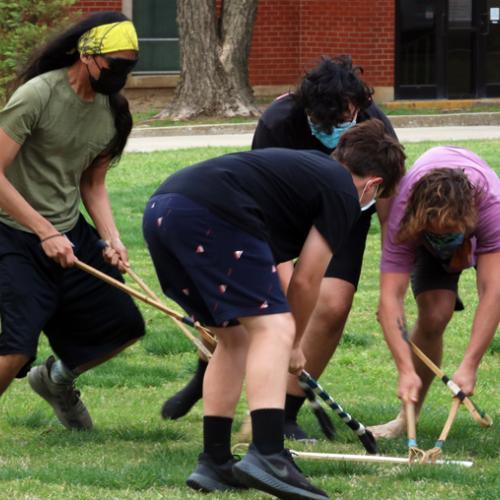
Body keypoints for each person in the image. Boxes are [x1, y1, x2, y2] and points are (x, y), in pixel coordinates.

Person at [143, 119, 405, 497]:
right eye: (376, 198)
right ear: (374, 184)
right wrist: (294, 342)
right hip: (209, 215)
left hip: (162, 211)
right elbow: (307, 279)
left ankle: (215, 460)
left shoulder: (301, 176)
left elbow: (282, 273)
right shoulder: (342, 191)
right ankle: (268, 453)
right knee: (273, 330)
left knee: (235, 338)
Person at [159, 55, 401, 440]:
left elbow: (389, 203)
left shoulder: (374, 124)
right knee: (261, 310)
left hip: (347, 210)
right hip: (280, 213)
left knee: (332, 304)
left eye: (344, 120)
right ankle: (210, 377)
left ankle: (284, 413)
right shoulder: (278, 120)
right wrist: (285, 310)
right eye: (326, 124)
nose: (336, 129)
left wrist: (392, 288)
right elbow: (260, 208)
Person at [0, 11, 145, 430]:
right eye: (115, 65)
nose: (122, 75)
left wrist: (111, 238)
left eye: (129, 67)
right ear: (87, 55)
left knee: (123, 325)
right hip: (13, 233)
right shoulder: (37, 95)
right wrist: (44, 232)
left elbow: (93, 182)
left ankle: (57, 381)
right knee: (14, 350)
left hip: (68, 230)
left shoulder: (112, 111)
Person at [368, 146, 500, 439]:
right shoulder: (405, 213)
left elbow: (493, 293)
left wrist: (469, 366)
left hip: (478, 227)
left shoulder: (490, 207)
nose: (444, 237)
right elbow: (390, 299)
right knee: (435, 314)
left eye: (449, 230)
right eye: (435, 231)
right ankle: (406, 418)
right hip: (420, 230)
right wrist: (405, 369)